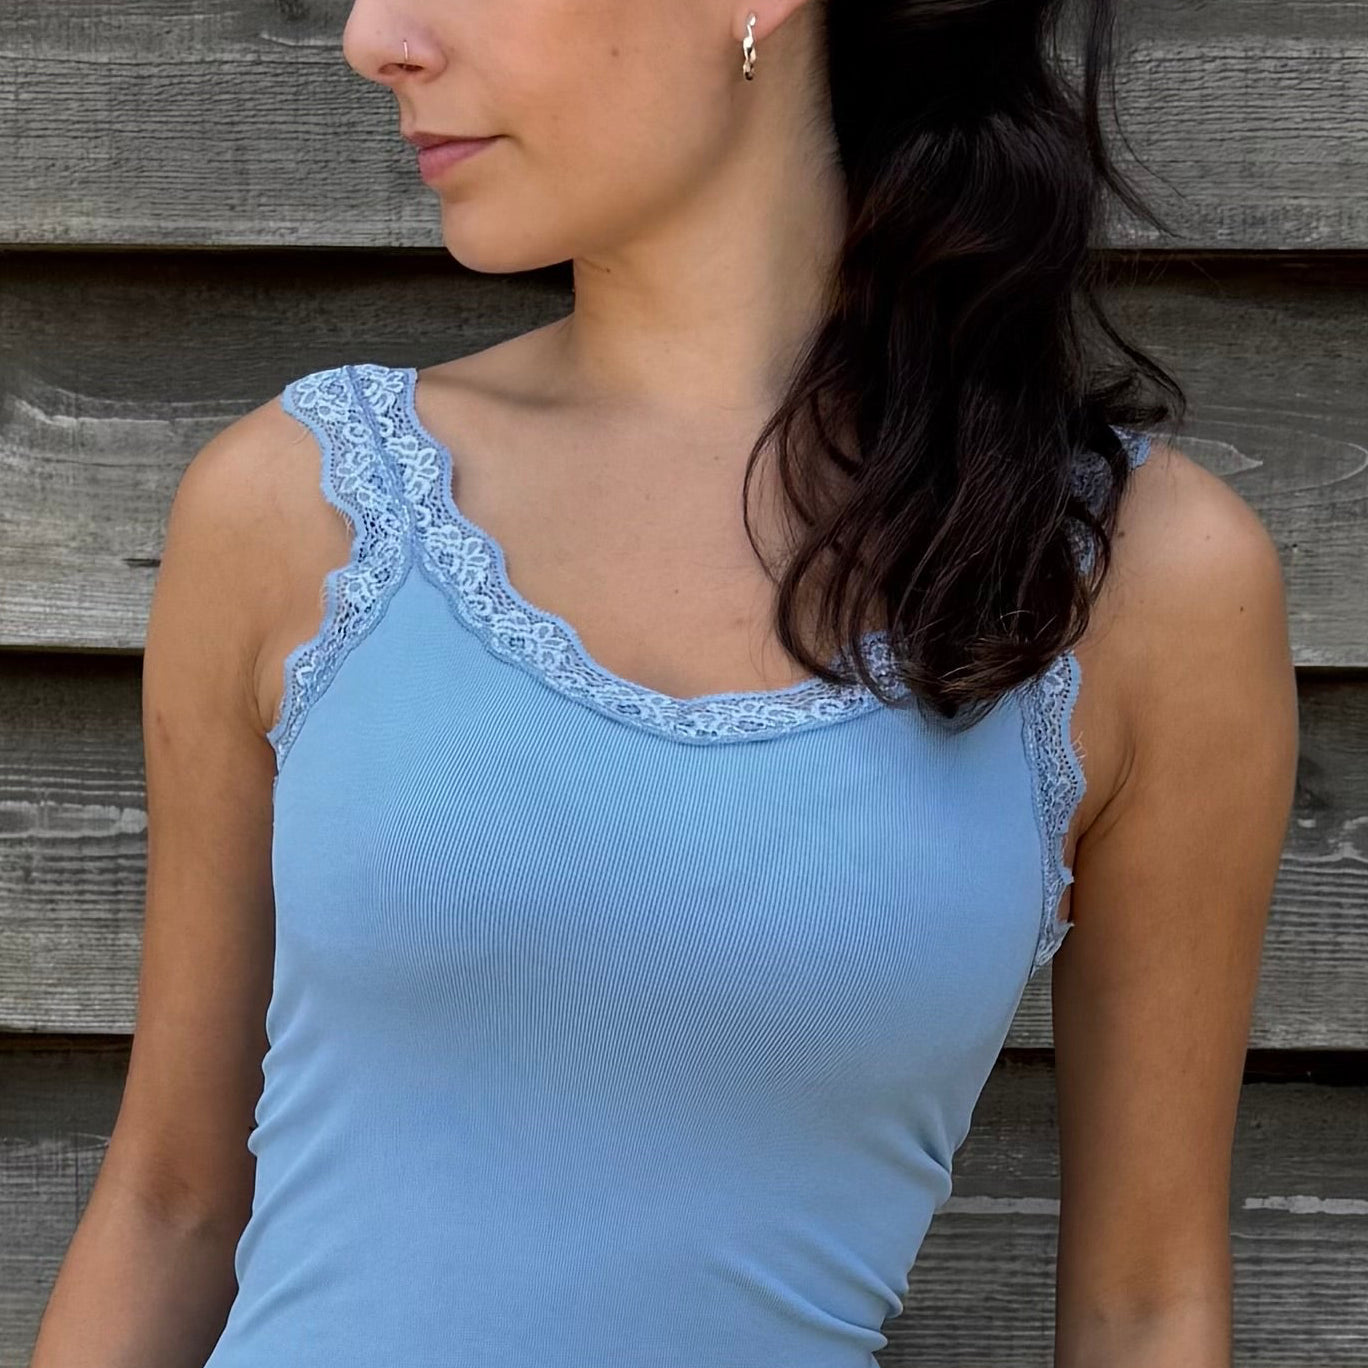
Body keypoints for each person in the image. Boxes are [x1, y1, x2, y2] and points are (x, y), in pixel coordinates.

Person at [29, 1, 1299, 1365]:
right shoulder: (304, 507)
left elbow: (1146, 1302)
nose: (371, 35)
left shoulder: (1139, 586)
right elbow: (170, 1203)